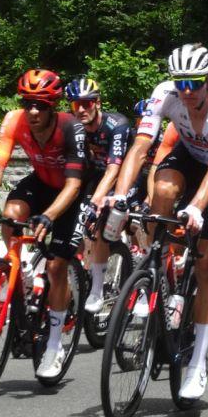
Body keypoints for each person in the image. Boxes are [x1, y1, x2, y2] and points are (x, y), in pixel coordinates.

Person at [108, 43, 208, 400]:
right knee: (164, 187)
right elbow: (141, 147)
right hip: (189, 155)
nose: (186, 92)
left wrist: (199, 207)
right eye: (180, 83)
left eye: (194, 83)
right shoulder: (166, 93)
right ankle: (159, 266)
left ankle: (199, 358)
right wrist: (120, 194)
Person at [0, 69, 85, 379]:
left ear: (53, 106)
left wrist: (49, 216)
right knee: (11, 212)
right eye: (28, 102)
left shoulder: (72, 127)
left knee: (56, 267)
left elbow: (73, 185)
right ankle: (22, 271)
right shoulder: (14, 120)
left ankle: (54, 345)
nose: (33, 111)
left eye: (41, 105)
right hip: (41, 181)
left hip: (72, 190)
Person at [64, 77, 131, 313]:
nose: (81, 109)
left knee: (102, 224)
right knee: (71, 216)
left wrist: (94, 203)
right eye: (75, 105)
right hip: (95, 175)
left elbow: (114, 169)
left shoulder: (117, 124)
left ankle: (98, 289)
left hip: (124, 176)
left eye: (87, 104)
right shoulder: (73, 127)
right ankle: (78, 267)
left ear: (98, 103)